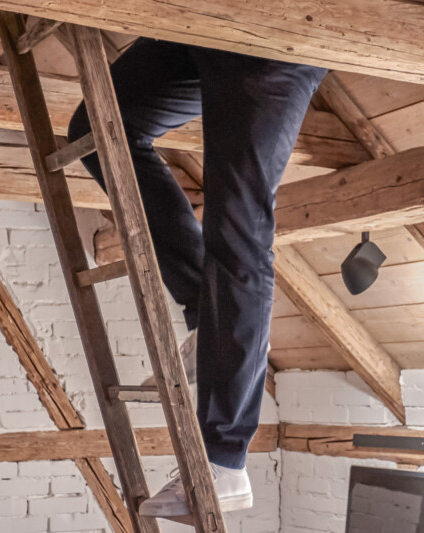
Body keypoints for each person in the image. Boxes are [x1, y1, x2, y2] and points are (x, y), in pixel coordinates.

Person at [68, 38, 326, 518]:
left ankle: (224, 458)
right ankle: (207, 319)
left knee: (238, 224)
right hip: (201, 27)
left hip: (276, 37)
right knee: (99, 129)